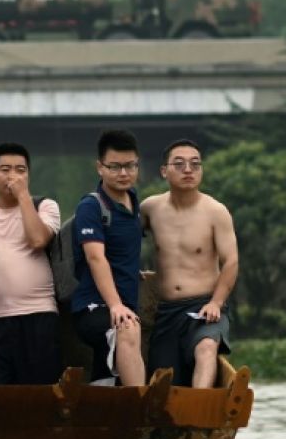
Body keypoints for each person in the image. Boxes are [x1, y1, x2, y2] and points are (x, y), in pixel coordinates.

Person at [141, 139, 239, 388]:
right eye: (179, 164)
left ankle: (200, 408)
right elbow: (124, 240)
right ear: (164, 171)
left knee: (206, 348)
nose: (188, 170)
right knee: (163, 382)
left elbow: (231, 261)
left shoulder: (216, 211)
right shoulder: (150, 208)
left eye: (195, 164)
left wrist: (216, 302)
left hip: (204, 307)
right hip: (166, 311)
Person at [0, 143, 61, 385]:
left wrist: (23, 196)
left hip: (38, 314)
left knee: (40, 393)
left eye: (20, 170)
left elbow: (37, 240)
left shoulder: (45, 206)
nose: (13, 176)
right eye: (5, 169)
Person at [71, 129, 145, 386]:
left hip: (126, 305)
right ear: (100, 168)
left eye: (130, 166)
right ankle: (140, 404)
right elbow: (96, 258)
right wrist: (115, 305)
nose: (124, 173)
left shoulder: (134, 202)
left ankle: (104, 407)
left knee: (106, 375)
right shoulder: (91, 207)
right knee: (127, 329)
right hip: (95, 307)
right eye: (115, 167)